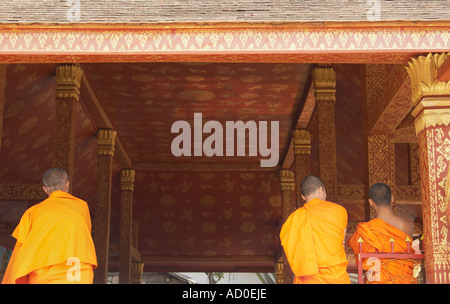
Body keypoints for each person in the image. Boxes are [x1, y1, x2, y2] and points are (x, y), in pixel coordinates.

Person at [2, 168, 97, 284]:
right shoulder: (82, 207)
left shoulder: (33, 212)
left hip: (44, 273)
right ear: (67, 184)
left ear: (45, 189)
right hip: (77, 272)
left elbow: (21, 247)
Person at [279, 175, 350, 284]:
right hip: (336, 277)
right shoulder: (340, 211)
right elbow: (342, 242)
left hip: (309, 279)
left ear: (303, 196)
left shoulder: (296, 217)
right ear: (321, 189)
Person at [347, 183, 416, 284]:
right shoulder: (408, 225)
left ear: (371, 202)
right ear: (392, 198)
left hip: (377, 280)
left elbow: (360, 256)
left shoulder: (365, 231)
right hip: (402, 279)